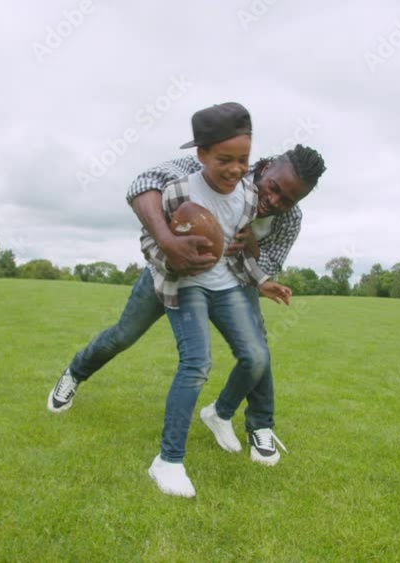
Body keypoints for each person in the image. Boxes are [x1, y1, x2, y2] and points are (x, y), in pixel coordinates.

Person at [48, 123, 327, 469]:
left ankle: (256, 424)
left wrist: (251, 245)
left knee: (257, 350)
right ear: (266, 167)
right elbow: (143, 184)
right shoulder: (219, 169)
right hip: (174, 273)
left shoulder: (289, 220)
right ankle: (75, 373)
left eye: (288, 200)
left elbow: (270, 265)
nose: (275, 201)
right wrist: (169, 242)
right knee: (124, 335)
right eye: (273, 190)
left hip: (234, 281)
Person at [138, 101, 293, 497]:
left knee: (256, 356)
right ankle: (168, 461)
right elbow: (150, 243)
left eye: (243, 159)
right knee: (196, 364)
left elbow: (239, 250)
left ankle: (218, 413)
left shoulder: (246, 195)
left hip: (226, 285)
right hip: (187, 284)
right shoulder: (179, 190)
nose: (236, 168)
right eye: (225, 159)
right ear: (201, 154)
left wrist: (261, 282)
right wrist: (174, 254)